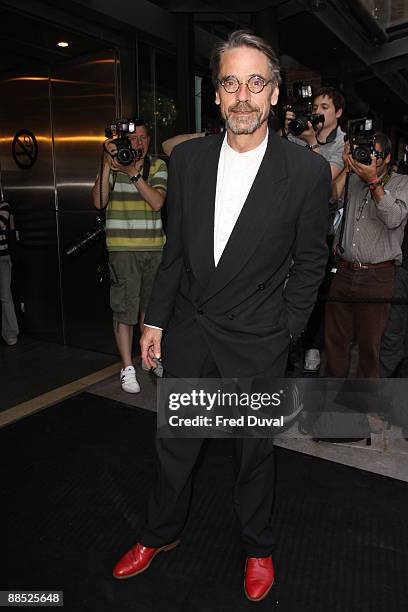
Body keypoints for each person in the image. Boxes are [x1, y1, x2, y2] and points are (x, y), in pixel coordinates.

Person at [112, 30, 331, 602]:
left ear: (275, 93)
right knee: (175, 445)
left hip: (258, 337)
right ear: (216, 95)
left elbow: (311, 263)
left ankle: (258, 546)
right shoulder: (186, 161)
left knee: (253, 454)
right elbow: (175, 253)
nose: (242, 95)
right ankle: (160, 533)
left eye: (255, 82)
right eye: (230, 82)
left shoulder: (305, 173)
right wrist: (155, 322)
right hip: (190, 330)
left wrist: (286, 330)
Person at [92, 118, 167, 393]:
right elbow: (99, 201)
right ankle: (127, 367)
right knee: (124, 311)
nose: (138, 143)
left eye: (144, 138)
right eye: (133, 138)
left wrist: (133, 172)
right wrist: (106, 163)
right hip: (123, 249)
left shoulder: (157, 166)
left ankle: (149, 355)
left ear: (149, 141)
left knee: (150, 310)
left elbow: (157, 202)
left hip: (153, 248)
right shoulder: (113, 167)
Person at [325, 133, 408, 379]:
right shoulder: (352, 179)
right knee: (335, 340)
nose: (368, 158)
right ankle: (330, 393)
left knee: (370, 346)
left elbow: (393, 219)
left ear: (388, 158)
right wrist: (348, 169)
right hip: (344, 269)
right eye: (364, 152)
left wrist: (373, 181)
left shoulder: (402, 182)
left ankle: (363, 403)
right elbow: (330, 197)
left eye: (375, 154)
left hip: (378, 274)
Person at [284, 87, 346, 372]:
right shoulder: (299, 133)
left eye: (325, 106)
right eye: (316, 106)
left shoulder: (342, 144)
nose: (318, 111)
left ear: (338, 113)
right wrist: (290, 135)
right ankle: (289, 347)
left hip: (319, 228)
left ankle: (309, 344)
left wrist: (310, 143)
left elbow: (325, 181)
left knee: (311, 289)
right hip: (288, 223)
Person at [0, 199, 19, 346]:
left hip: (2, 258)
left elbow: (0, 223)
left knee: (5, 296)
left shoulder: (4, 205)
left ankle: (10, 333)